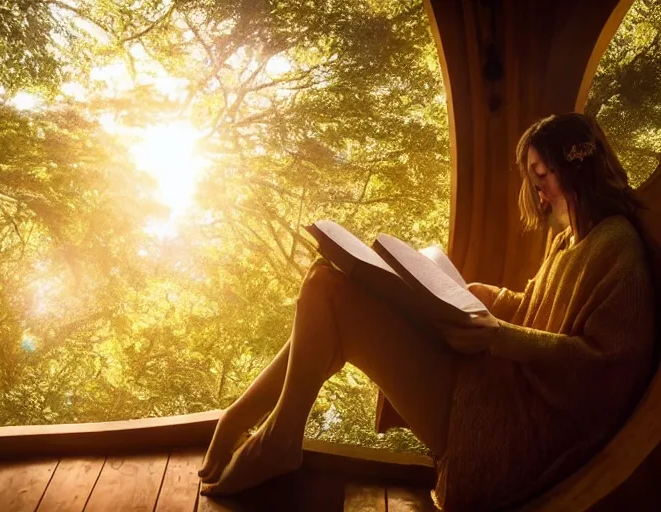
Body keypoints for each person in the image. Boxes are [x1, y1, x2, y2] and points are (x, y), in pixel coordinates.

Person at [196, 113, 656, 510]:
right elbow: (536, 309)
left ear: (576, 168)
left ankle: (276, 438)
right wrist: (486, 295)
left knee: (328, 291)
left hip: (506, 437)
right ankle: (241, 419)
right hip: (492, 389)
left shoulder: (617, 246)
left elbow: (603, 364)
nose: (538, 193)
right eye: (533, 178)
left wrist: (498, 336)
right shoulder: (568, 240)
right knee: (327, 281)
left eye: (542, 175)